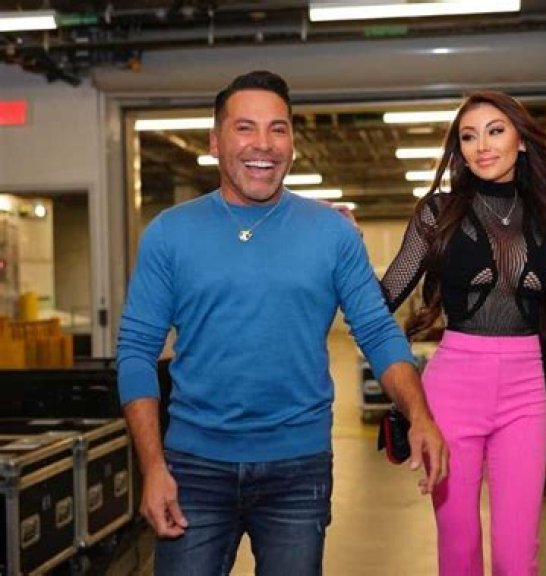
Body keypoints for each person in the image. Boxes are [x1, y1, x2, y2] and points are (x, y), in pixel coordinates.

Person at [116, 70, 447, 576]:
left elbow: (378, 331)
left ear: (292, 141)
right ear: (215, 141)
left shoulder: (332, 234)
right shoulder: (169, 234)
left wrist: (419, 415)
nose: (264, 144)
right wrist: (153, 466)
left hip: (298, 469)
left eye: (278, 129)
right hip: (194, 469)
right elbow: (137, 352)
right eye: (245, 127)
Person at [380, 91, 546, 575]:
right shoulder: (438, 211)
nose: (481, 146)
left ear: (521, 140)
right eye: (468, 136)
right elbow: (382, 298)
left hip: (527, 392)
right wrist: (339, 248)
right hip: (453, 387)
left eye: (495, 131)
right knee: (459, 547)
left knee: (517, 556)